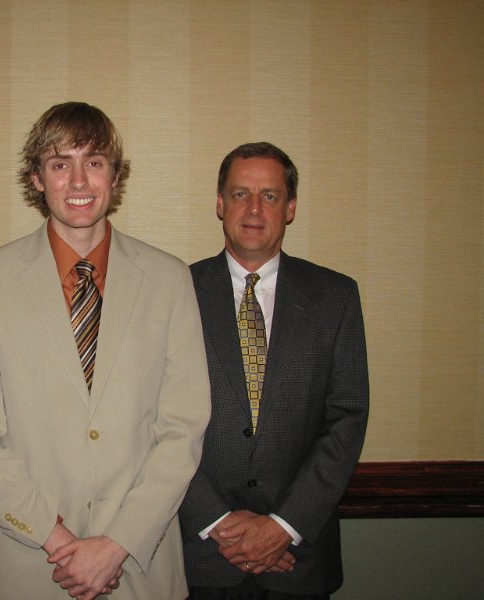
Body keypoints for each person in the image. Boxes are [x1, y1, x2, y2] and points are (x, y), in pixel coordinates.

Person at [0, 102, 210, 600]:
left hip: (139, 565)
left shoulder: (169, 280)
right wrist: (59, 542)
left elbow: (183, 430)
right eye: (60, 164)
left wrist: (115, 545)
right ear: (37, 178)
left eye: (95, 162)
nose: (79, 181)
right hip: (27, 564)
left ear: (115, 175)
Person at [179, 142, 369, 599]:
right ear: (220, 203)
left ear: (291, 208)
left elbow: (347, 418)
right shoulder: (175, 291)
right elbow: (150, 418)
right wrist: (218, 522)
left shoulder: (335, 297)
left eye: (270, 196)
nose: (253, 208)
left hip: (300, 557)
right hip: (203, 553)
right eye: (240, 194)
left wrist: (285, 525)